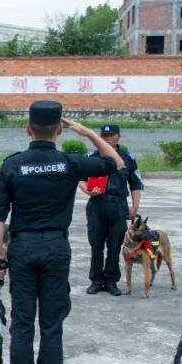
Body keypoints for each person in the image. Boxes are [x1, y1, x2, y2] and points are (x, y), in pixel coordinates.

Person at [0, 101, 124, 364]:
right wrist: (89, 133)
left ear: (28, 129)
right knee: (51, 321)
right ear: (60, 130)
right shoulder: (69, 163)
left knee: (23, 320)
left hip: (21, 248)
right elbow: (116, 162)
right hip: (55, 247)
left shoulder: (12, 164)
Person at [78, 123, 144, 296]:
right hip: (97, 204)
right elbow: (80, 177)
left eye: (111, 135)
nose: (108, 139)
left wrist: (135, 206)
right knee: (96, 245)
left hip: (118, 205)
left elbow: (136, 183)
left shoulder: (127, 157)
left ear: (118, 137)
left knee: (115, 245)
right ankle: (96, 280)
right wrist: (86, 190)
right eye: (104, 136)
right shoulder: (92, 156)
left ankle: (111, 281)